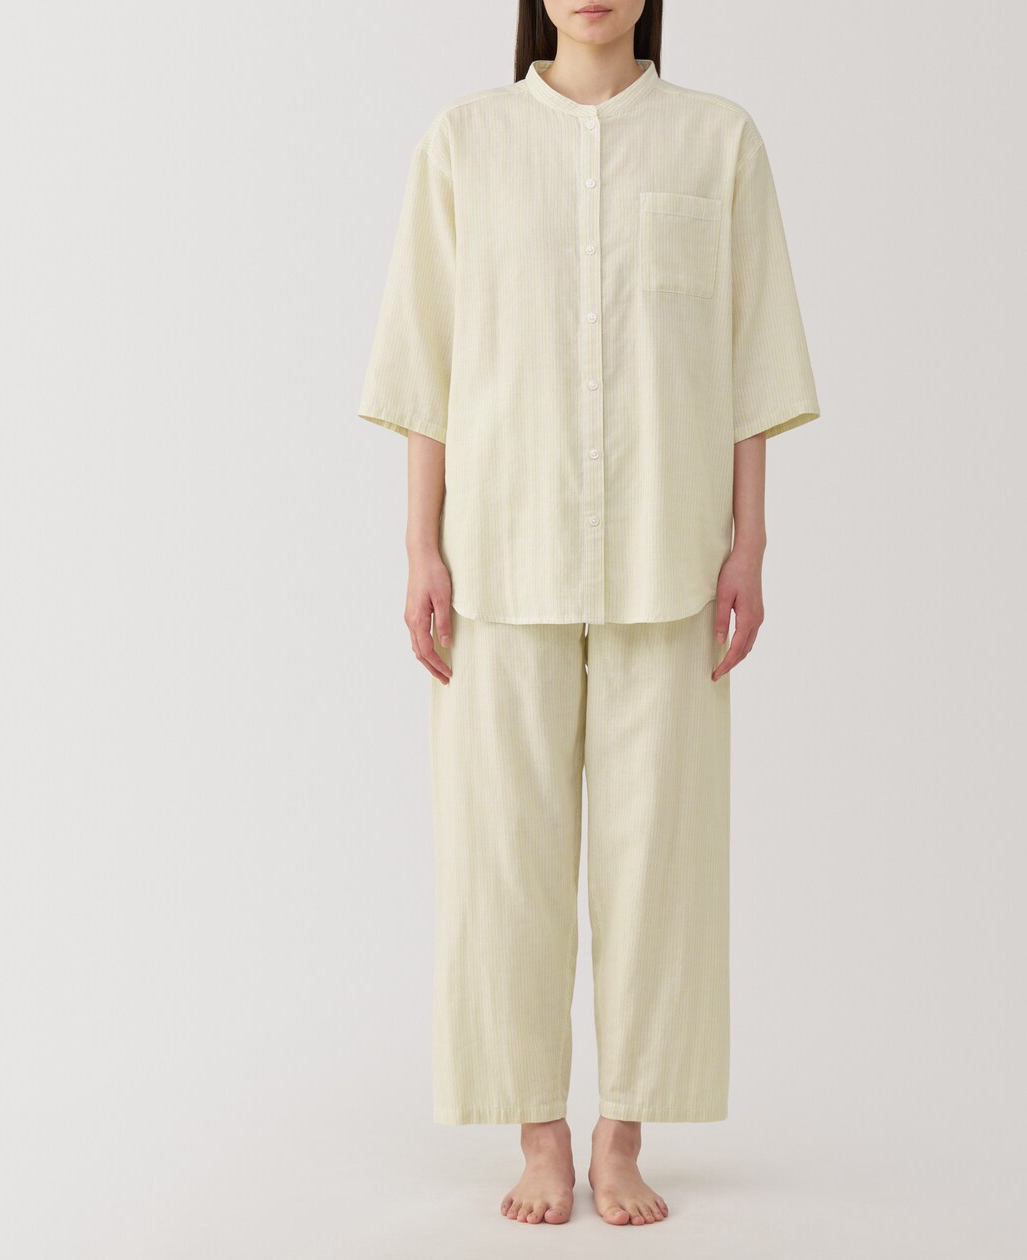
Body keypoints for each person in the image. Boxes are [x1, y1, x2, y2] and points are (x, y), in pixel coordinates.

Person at [356, 0, 820, 1229]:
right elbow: (425, 362)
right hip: (499, 557)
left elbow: (752, 359)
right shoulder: (464, 142)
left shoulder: (718, 141)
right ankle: (538, 1136)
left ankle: (623, 1134)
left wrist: (751, 543)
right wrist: (420, 544)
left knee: (660, 859)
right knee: (502, 859)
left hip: (671, 556)